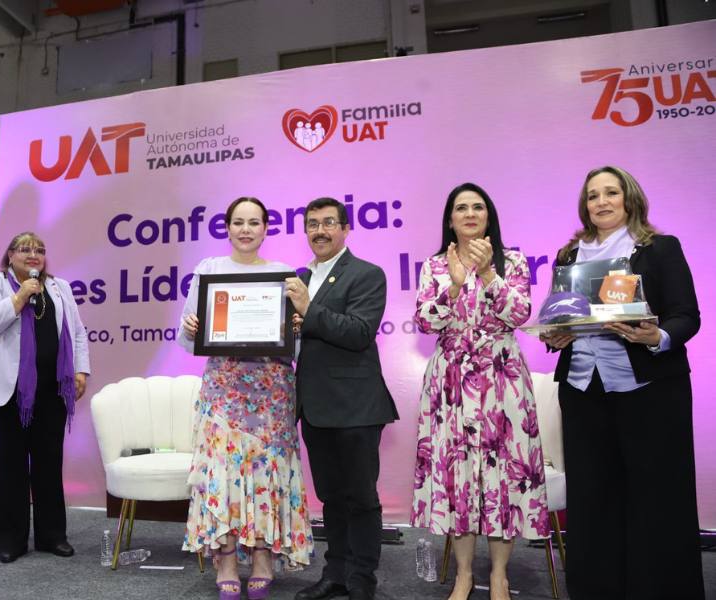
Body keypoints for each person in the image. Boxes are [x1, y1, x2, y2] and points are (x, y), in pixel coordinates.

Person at [542, 166, 704, 600]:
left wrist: (660, 336)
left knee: (655, 497)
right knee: (593, 499)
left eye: (611, 192)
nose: (602, 202)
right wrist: (555, 337)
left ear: (629, 198)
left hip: (650, 391)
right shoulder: (568, 256)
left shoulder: (659, 249)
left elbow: (686, 315)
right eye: (593, 195)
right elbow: (563, 319)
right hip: (583, 392)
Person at [411, 184, 549, 600]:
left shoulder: (514, 261)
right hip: (450, 384)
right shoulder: (435, 265)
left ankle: (500, 576)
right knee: (459, 480)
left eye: (478, 207)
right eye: (461, 208)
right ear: (450, 219)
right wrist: (453, 287)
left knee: (502, 478)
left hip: (502, 382)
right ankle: (464, 575)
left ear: (489, 217)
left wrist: (488, 274)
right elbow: (425, 322)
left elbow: (520, 315)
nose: (470, 213)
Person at [180, 197, 313, 600]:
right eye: (238, 222)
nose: (245, 229)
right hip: (225, 390)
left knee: (266, 474)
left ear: (266, 228)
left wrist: (296, 326)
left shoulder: (284, 275)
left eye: (254, 222)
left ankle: (261, 559)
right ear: (227, 227)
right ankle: (224, 559)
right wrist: (192, 327)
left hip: (271, 390)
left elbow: (300, 338)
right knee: (222, 471)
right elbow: (188, 340)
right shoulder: (209, 270)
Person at [286, 197, 398, 600]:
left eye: (329, 223)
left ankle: (362, 579)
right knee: (330, 497)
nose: (320, 230)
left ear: (345, 228)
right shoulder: (298, 277)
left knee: (361, 496)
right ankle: (335, 573)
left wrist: (307, 307)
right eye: (312, 223)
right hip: (314, 406)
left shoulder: (367, 274)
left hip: (355, 405)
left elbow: (358, 332)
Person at [0, 232, 90, 564]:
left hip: (52, 391)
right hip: (8, 394)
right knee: (9, 468)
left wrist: (80, 371)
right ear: (10, 256)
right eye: (25, 249)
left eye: (39, 250)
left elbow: (77, 332)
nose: (33, 255)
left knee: (49, 466)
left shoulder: (59, 287)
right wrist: (19, 296)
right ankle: (10, 540)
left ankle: (53, 536)